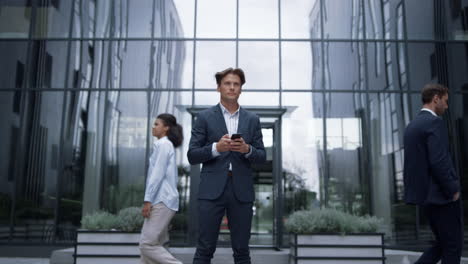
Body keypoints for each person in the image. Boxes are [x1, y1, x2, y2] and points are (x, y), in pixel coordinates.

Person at [187, 67, 266, 264]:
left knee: (242, 251)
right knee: (204, 249)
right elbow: (192, 155)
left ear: (241, 89)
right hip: (211, 190)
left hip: (241, 191)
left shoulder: (253, 120)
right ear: (219, 88)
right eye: (227, 83)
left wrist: (247, 149)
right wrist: (216, 147)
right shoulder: (204, 117)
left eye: (236, 84)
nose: (231, 87)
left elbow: (262, 157)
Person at [403, 83, 463, 264]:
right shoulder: (434, 123)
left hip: (426, 198)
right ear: (435, 98)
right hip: (441, 196)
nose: (446, 105)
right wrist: (452, 188)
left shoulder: (412, 126)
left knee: (443, 244)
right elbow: (439, 160)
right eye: (445, 101)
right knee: (453, 246)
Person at [139, 113, 183, 264]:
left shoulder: (164, 145)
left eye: (156, 124)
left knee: (147, 244)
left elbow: (156, 175)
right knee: (150, 246)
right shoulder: (163, 145)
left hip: (161, 200)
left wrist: (147, 200)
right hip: (162, 200)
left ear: (166, 128)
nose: (153, 127)